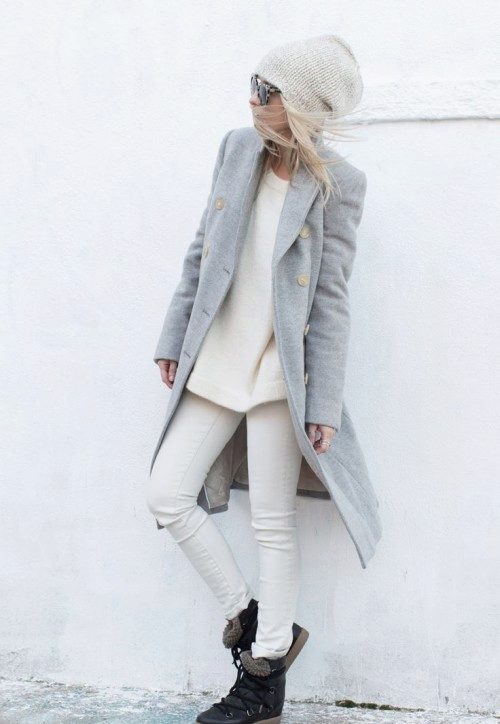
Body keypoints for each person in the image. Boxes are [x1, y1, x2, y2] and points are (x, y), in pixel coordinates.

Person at [146, 34, 378, 724]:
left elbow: (331, 300)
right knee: (167, 494)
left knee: (274, 523)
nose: (252, 98)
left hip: (281, 372)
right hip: (219, 354)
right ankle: (252, 621)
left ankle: (265, 675)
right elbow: (201, 249)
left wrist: (324, 401)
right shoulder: (236, 149)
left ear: (300, 104)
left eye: (266, 90)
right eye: (255, 82)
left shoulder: (339, 185)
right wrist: (175, 336)